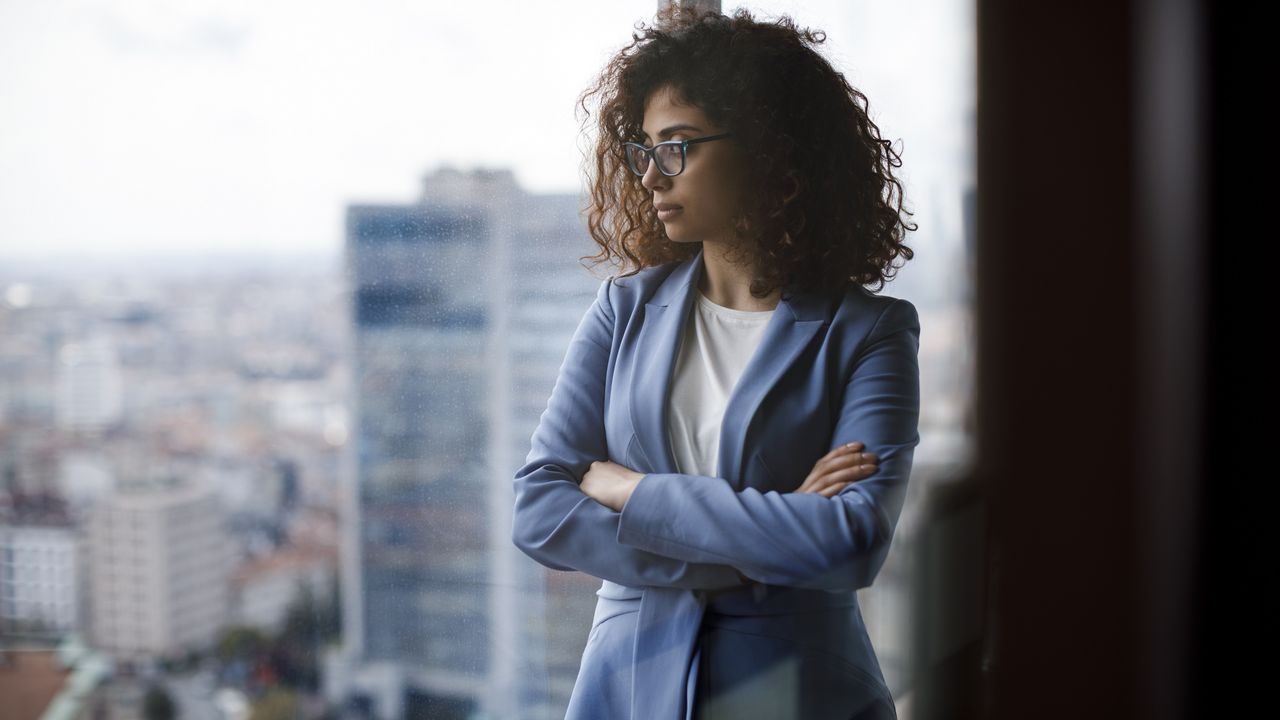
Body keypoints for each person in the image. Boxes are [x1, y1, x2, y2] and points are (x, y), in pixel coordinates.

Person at [511, 6, 919, 719]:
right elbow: (540, 509)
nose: (651, 177)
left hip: (797, 691)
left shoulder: (870, 332)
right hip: (623, 688)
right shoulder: (623, 309)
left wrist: (632, 492)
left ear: (771, 148)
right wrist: (774, 535)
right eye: (644, 152)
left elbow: (850, 543)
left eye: (678, 147)